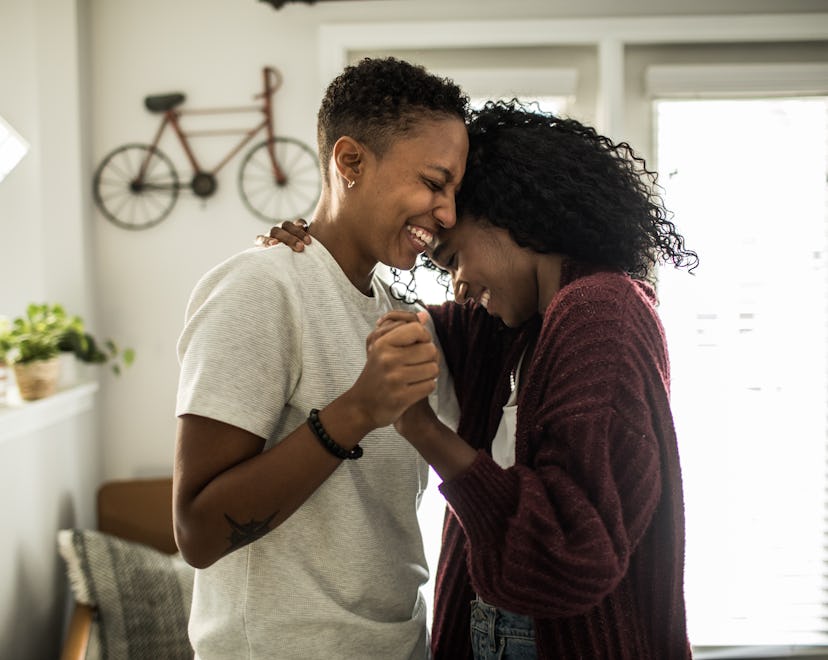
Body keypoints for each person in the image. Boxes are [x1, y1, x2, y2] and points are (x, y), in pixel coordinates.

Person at [265, 100, 698, 660]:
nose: (458, 287)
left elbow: (571, 551)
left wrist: (422, 429)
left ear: (510, 215)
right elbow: (394, 322)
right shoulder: (511, 329)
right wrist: (316, 251)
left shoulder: (602, 313)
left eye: (453, 259)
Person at [173, 56, 468, 660]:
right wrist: (356, 410)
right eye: (435, 183)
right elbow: (197, 534)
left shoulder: (404, 316)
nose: (448, 213)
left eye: (456, 192)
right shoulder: (260, 287)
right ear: (350, 161)